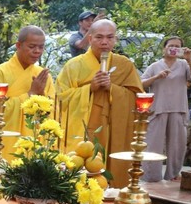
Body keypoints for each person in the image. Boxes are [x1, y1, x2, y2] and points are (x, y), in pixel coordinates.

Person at [55, 19, 143, 188]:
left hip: (113, 128)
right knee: (82, 172)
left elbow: (137, 98)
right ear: (89, 39)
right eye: (99, 37)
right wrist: (89, 89)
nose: (105, 42)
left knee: (111, 167)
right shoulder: (74, 65)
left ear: (115, 40)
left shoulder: (124, 65)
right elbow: (60, 98)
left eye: (110, 37)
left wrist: (113, 89)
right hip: (84, 128)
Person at [0, 25, 54, 159]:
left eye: (41, 47)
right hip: (4, 142)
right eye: (32, 47)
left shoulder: (42, 76)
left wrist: (41, 96)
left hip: (34, 141)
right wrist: (30, 95)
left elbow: (50, 112)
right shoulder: (0, 72)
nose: (37, 51)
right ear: (18, 45)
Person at [140, 36, 191, 182]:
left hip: (178, 109)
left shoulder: (184, 65)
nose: (173, 48)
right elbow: (141, 83)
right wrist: (156, 77)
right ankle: (151, 177)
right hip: (158, 109)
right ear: (164, 49)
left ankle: (172, 175)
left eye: (177, 46)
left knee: (177, 146)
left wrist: (189, 59)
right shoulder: (155, 66)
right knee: (153, 144)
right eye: (170, 45)